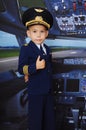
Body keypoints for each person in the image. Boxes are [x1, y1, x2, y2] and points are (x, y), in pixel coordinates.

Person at [18, 7, 56, 130]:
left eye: (42, 31)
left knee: (49, 120)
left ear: (47, 33)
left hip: (48, 91)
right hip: (36, 92)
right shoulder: (26, 48)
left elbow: (49, 68)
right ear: (28, 33)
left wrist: (29, 72)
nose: (38, 35)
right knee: (36, 121)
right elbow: (20, 68)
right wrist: (34, 67)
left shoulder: (47, 49)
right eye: (34, 31)